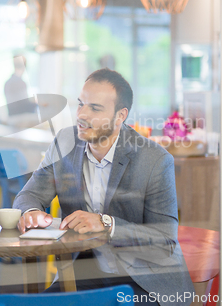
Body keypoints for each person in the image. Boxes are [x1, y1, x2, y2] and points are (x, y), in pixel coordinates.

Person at [13, 69, 194, 306]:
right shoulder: (65, 143)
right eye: (80, 104)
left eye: (95, 108)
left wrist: (108, 225)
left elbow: (164, 242)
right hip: (84, 272)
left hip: (144, 280)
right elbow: (28, 195)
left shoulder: (154, 160)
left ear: (120, 116)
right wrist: (31, 212)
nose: (82, 115)